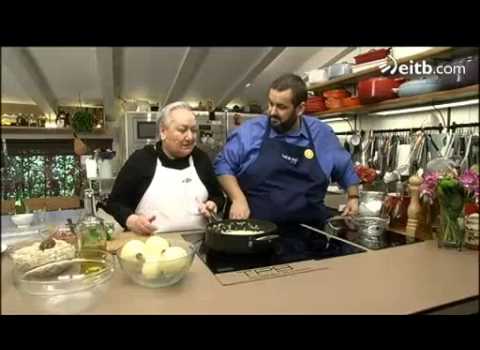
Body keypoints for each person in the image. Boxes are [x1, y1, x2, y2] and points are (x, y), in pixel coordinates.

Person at [214, 74, 359, 227]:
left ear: (300, 108)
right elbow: (223, 165)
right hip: (254, 231)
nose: (272, 111)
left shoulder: (321, 133)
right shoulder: (250, 131)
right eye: (270, 103)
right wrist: (238, 199)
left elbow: (344, 168)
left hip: (308, 235)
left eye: (281, 107)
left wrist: (353, 197)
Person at [106, 101, 225, 235]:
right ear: (163, 131)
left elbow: (218, 196)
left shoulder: (201, 159)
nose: (190, 137)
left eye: (193, 130)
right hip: (152, 247)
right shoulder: (142, 160)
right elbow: (115, 203)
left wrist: (213, 205)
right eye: (182, 130)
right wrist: (132, 220)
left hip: (199, 247)